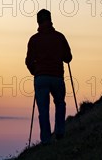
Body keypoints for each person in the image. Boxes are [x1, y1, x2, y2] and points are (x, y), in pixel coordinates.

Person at [25, 9, 73, 144]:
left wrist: (35, 71)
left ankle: (46, 139)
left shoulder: (34, 40)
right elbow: (68, 58)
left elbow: (28, 61)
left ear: (38, 21)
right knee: (60, 104)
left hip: (41, 78)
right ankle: (60, 132)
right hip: (57, 76)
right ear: (50, 20)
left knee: (43, 109)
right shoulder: (59, 37)